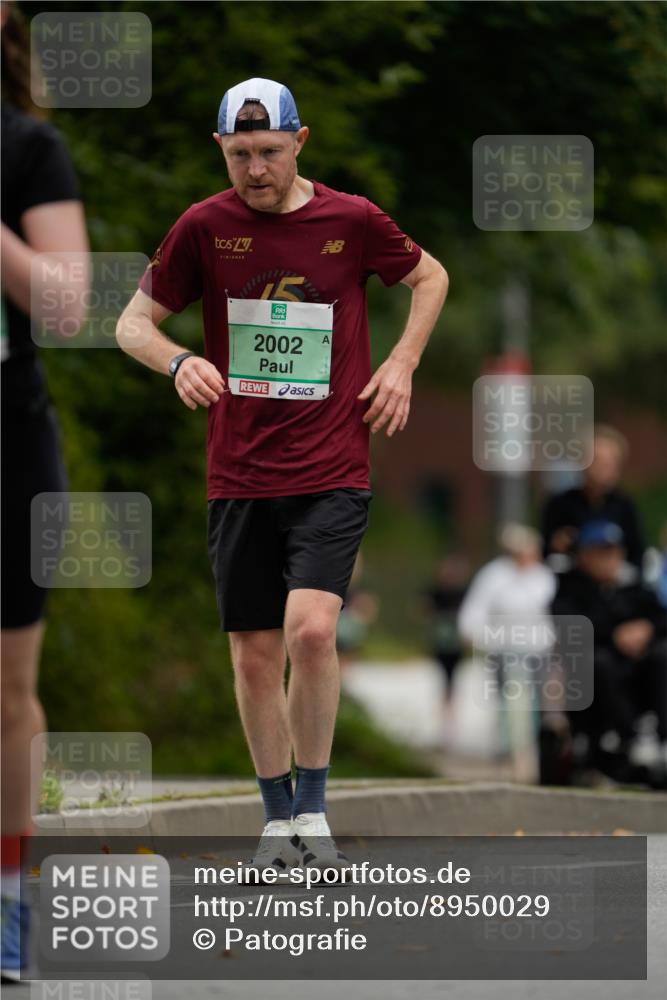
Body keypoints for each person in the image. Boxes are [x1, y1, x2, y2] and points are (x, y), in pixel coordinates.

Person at [116, 78, 448, 875]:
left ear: (300, 142)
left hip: (332, 464)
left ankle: (314, 808)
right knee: (255, 653)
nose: (254, 171)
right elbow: (130, 324)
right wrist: (179, 360)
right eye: (238, 156)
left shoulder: (351, 220)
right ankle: (275, 821)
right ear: (220, 150)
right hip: (238, 473)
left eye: (268, 153)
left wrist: (400, 365)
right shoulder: (205, 226)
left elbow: (430, 278)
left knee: (311, 631)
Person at [1, 3, 89, 981]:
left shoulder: (28, 148)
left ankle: (10, 899)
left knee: (7, 692)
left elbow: (66, 303)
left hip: (7, 444)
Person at [552, 520, 667, 787]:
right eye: (599, 552)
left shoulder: (635, 589)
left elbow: (661, 618)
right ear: (583, 556)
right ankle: (627, 738)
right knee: (597, 662)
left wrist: (645, 628)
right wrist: (616, 633)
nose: (608, 560)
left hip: (639, 677)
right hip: (599, 685)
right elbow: (570, 626)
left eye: (612, 552)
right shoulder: (571, 591)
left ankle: (660, 740)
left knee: (663, 656)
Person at [458, 525, 556, 781]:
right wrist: (478, 637)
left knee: (534, 704)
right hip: (505, 650)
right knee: (513, 702)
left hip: (540, 651)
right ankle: (513, 752)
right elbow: (475, 611)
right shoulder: (494, 575)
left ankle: (527, 751)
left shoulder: (544, 577)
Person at [542, 424, 645, 571]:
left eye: (610, 464)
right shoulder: (559, 504)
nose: (604, 469)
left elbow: (637, 556)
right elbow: (544, 555)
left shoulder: (625, 506)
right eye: (598, 462)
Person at [422, 553, 469, 747]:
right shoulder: (436, 592)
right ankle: (445, 724)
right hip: (441, 644)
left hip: (455, 646)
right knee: (444, 682)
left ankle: (450, 724)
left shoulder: (464, 592)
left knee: (452, 682)